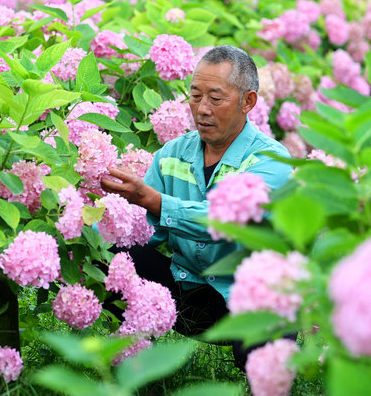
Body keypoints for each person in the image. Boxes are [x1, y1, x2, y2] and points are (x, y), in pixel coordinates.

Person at [100, 45, 294, 370]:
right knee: (114, 254)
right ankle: (135, 365)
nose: (202, 109)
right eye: (195, 96)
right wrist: (83, 232)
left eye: (215, 98)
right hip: (186, 291)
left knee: (270, 330)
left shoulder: (271, 161)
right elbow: (142, 229)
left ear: (248, 101)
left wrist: (155, 201)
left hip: (248, 300)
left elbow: (224, 222)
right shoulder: (172, 155)